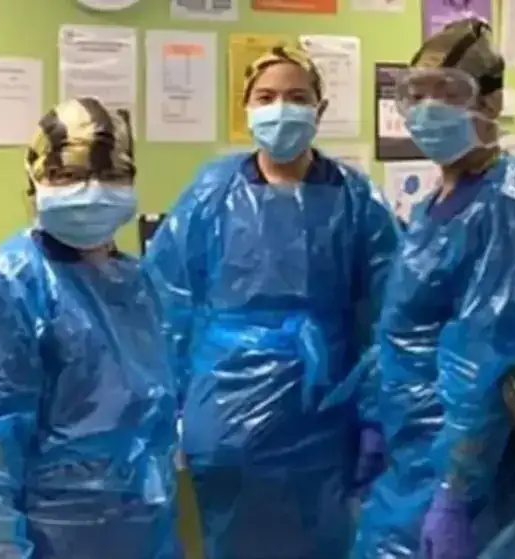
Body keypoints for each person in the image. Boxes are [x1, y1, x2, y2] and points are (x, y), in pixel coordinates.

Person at [143, 45, 398, 559]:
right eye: (266, 97)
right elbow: (166, 303)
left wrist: (376, 415)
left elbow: (388, 313)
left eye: (297, 97)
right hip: (224, 410)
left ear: (320, 108)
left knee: (320, 539)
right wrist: (168, 407)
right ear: (246, 108)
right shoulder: (212, 192)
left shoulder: (356, 198)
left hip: (323, 411)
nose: (281, 109)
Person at [350, 18, 515, 558]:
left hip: (468, 470)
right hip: (412, 454)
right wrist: (376, 417)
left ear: (491, 103)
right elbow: (401, 325)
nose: (427, 110)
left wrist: (456, 491)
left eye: (447, 93)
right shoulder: (434, 205)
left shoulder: (505, 205)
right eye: (416, 94)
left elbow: (486, 358)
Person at [0, 98, 181, 559]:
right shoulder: (10, 284)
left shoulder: (136, 282)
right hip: (55, 535)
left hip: (145, 526)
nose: (92, 191)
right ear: (35, 180)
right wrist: (1, 547)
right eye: (68, 175)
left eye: (112, 174)